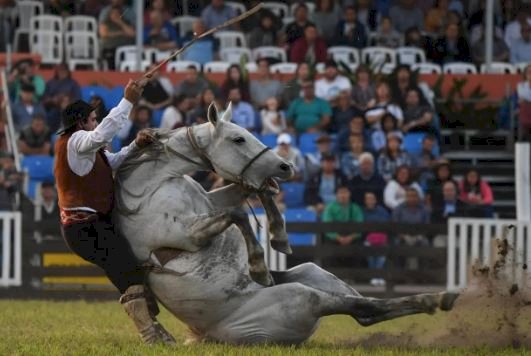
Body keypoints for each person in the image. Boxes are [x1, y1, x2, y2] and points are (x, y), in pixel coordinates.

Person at [53, 79, 175, 344]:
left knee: (129, 271)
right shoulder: (76, 141)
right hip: (85, 227)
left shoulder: (86, 147)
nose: (96, 123)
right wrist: (128, 100)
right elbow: (102, 135)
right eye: (93, 119)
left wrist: (135, 145)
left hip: (91, 226)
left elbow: (113, 160)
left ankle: (152, 331)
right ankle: (150, 335)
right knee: (127, 272)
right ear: (81, 122)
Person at [391, 187, 430, 269]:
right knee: (397, 244)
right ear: (406, 197)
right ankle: (399, 274)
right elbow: (395, 225)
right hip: (403, 236)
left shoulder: (424, 209)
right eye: (409, 196)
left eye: (414, 196)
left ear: (418, 197)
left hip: (420, 236)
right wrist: (404, 236)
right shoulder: (399, 209)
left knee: (425, 244)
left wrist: (420, 236)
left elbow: (427, 225)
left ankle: (424, 274)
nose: (412, 198)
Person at [363, 191, 390, 286]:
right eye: (368, 199)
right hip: (368, 239)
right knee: (370, 254)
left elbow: (386, 224)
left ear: (375, 200)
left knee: (381, 255)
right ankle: (373, 276)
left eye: (372, 198)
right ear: (365, 201)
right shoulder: (363, 212)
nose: (370, 201)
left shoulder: (382, 211)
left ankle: (379, 275)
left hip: (381, 238)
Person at [99, 4, 136, 69]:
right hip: (110, 48)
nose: (115, 15)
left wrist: (120, 22)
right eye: (113, 13)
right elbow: (103, 34)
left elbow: (132, 33)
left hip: (124, 48)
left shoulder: (125, 22)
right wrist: (120, 33)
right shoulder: (106, 22)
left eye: (117, 13)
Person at [517, 64, 531, 141]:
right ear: (525, 74)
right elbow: (522, 97)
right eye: (529, 72)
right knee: (524, 105)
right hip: (525, 112)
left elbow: (525, 98)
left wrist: (526, 99)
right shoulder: (521, 85)